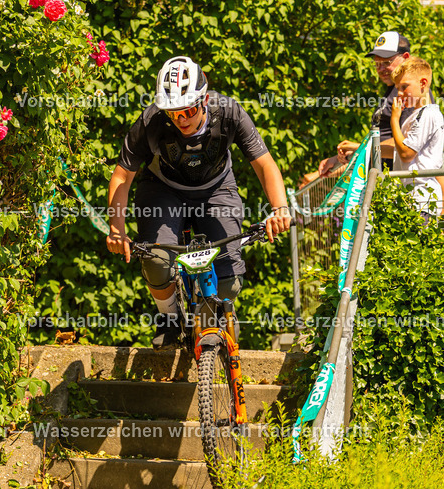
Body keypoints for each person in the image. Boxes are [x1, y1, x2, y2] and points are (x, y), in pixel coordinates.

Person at [106, 56, 291, 348]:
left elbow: (264, 164)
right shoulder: (151, 120)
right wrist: (117, 229)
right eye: (172, 113)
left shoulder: (229, 112)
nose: (181, 120)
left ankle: (211, 319)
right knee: (156, 261)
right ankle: (169, 316)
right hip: (163, 190)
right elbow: (121, 177)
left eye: (188, 110)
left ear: (204, 100)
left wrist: (280, 209)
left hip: (216, 188)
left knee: (230, 281)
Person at [298, 30, 417, 187]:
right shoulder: (390, 91)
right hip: (382, 184)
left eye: (386, 62)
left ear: (405, 58)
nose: (380, 69)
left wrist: (359, 148)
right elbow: (378, 148)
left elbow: (408, 145)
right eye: (377, 63)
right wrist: (337, 160)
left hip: (403, 187)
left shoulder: (411, 93)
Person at [390, 57, 444, 221]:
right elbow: (398, 149)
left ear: (423, 83)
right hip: (412, 200)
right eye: (398, 88)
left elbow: (406, 153)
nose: (399, 93)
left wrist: (394, 119)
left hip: (422, 201)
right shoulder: (416, 115)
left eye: (404, 86)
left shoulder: (427, 114)